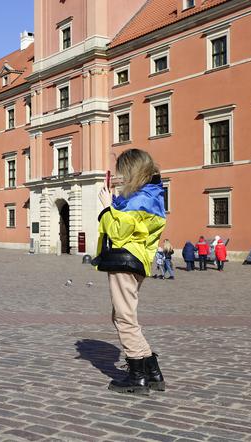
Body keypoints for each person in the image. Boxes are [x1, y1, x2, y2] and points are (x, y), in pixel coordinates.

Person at [93, 148, 166, 394]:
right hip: (138, 261)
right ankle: (152, 371)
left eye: (124, 172)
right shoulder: (150, 194)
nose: (122, 177)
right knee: (125, 316)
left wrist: (105, 208)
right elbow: (130, 223)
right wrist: (115, 203)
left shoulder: (139, 199)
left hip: (125, 261)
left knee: (124, 318)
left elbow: (119, 231)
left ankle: (137, 377)